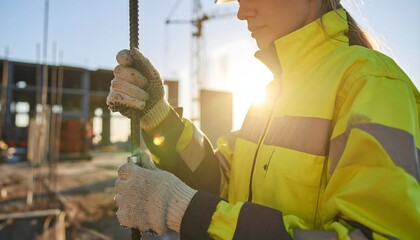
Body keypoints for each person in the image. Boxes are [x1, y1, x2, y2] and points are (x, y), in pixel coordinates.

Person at [107, 0, 420, 239]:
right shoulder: (269, 97)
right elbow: (219, 181)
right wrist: (157, 114)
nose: (242, 12)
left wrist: (187, 210)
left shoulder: (371, 83)